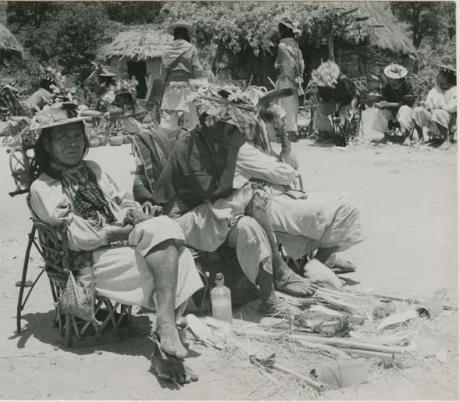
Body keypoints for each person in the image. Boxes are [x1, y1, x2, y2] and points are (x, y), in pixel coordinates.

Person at [28, 103, 203, 384]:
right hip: (89, 260)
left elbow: (121, 201)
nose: (72, 143)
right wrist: (114, 234)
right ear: (47, 145)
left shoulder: (93, 169)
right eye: (62, 138)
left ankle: (165, 336)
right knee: (176, 257)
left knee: (171, 243)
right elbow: (74, 237)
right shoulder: (44, 186)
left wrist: (134, 212)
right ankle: (168, 329)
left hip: (121, 247)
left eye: (76, 135)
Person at [154, 86, 316, 315]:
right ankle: (280, 272)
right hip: (181, 220)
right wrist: (236, 165)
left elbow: (221, 193)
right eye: (235, 129)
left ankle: (268, 296)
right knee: (252, 199)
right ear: (214, 124)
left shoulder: (218, 143)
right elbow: (210, 191)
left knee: (250, 225)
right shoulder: (190, 147)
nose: (242, 134)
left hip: (209, 213)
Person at [236, 100, 363, 274]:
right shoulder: (244, 149)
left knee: (346, 198)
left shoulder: (260, 147)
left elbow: (292, 166)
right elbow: (287, 173)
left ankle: (325, 258)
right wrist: (283, 168)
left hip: (282, 197)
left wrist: (285, 142)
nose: (281, 129)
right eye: (277, 126)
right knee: (346, 208)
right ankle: (317, 267)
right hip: (267, 204)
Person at [160, 22, 206, 131]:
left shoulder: (166, 50)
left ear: (174, 35)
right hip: (186, 89)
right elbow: (197, 69)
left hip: (171, 90)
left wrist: (164, 85)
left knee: (169, 124)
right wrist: (200, 86)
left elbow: (163, 74)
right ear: (186, 35)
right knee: (191, 124)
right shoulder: (191, 48)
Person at [311, 61, 359, 146]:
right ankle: (326, 132)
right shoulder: (323, 83)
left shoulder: (343, 81)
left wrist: (338, 107)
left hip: (348, 101)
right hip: (335, 101)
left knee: (342, 114)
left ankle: (343, 134)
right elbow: (326, 98)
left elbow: (349, 97)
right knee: (321, 108)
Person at [275, 17, 305, 142]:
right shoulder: (295, 46)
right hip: (296, 79)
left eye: (279, 29)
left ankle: (286, 132)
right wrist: (299, 78)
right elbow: (301, 63)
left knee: (284, 105)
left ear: (283, 31)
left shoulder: (282, 46)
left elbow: (288, 65)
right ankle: (293, 131)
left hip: (286, 79)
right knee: (293, 105)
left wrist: (290, 77)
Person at [412, 65, 457, 143]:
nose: (438, 77)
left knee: (438, 113)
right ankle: (421, 138)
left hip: (448, 117)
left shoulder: (455, 89)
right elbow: (429, 102)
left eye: (441, 75)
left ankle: (445, 140)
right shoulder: (435, 89)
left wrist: (441, 107)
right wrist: (425, 104)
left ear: (447, 77)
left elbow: (454, 107)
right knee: (417, 111)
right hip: (433, 114)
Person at [372, 63, 415, 142]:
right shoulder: (387, 86)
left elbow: (407, 102)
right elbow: (383, 98)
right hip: (391, 110)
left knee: (404, 109)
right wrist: (380, 103)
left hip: (404, 110)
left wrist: (388, 104)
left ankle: (406, 136)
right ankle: (386, 136)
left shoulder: (407, 85)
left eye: (391, 77)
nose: (389, 78)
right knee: (381, 111)